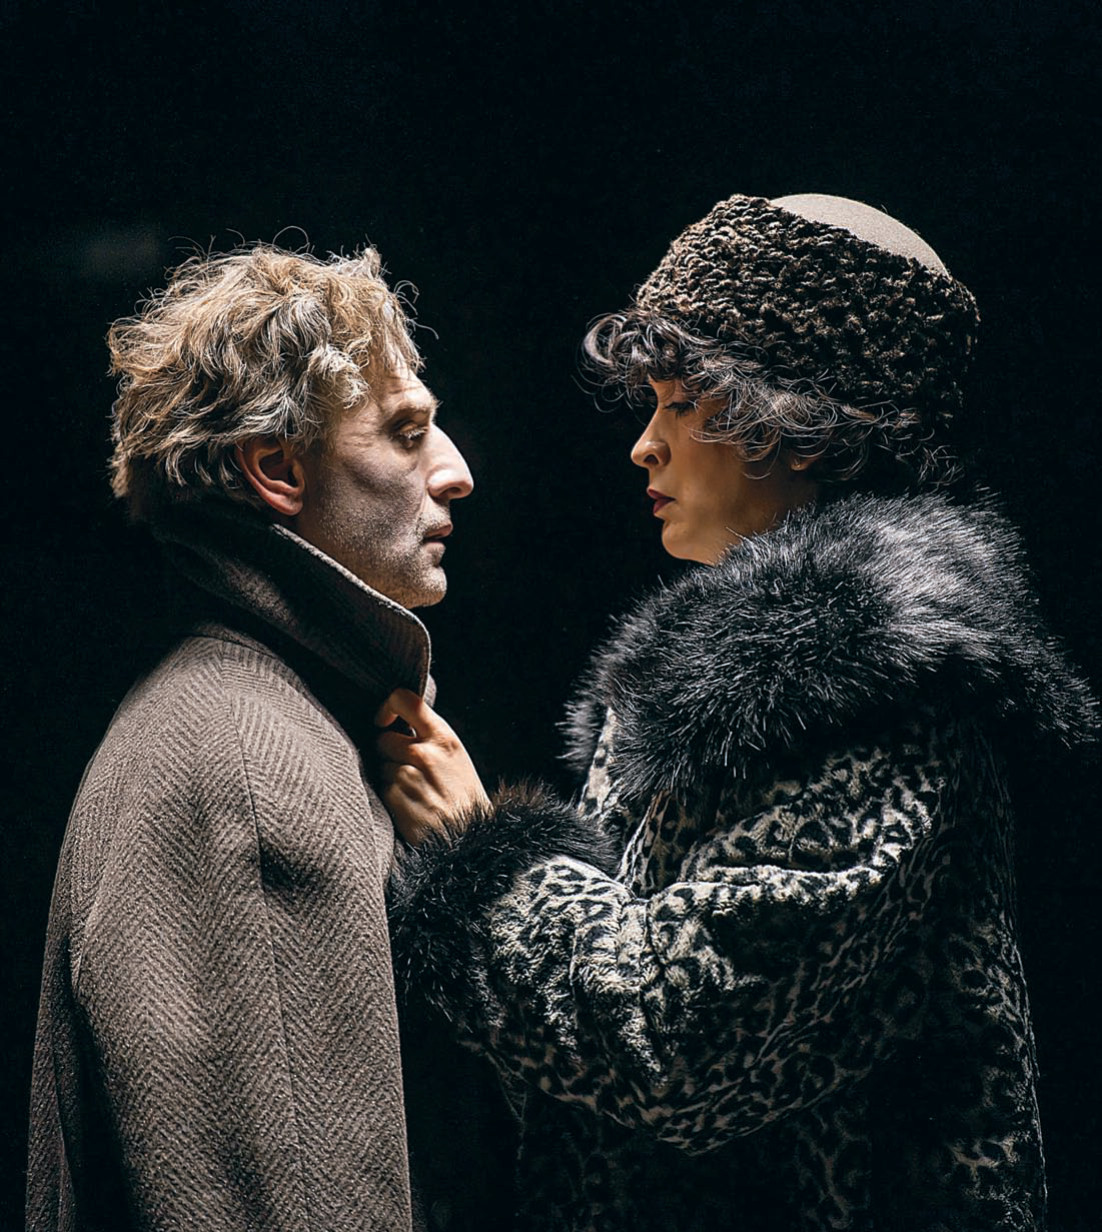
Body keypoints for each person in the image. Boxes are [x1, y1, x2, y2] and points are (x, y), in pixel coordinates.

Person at [377, 194, 1097, 1231]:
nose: (644, 446)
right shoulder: (754, 683)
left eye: (679, 404)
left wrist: (485, 860)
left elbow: (672, 1048)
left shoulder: (874, 702)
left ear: (794, 424)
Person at [26, 244, 513, 1232]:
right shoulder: (250, 764)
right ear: (279, 469)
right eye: (405, 432)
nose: (456, 471)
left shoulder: (259, 716)